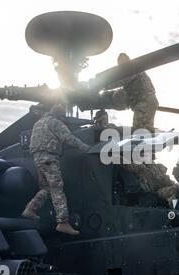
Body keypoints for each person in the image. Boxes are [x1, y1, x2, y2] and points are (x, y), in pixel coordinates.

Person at [22, 103, 91, 235]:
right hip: (49, 158)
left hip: (37, 159)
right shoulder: (55, 123)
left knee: (46, 188)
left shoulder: (38, 123)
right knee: (57, 188)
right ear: (60, 115)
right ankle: (63, 222)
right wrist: (85, 147)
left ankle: (31, 208)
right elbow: (69, 138)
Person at [105, 53, 159, 133]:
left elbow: (122, 81)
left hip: (145, 101)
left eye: (122, 62)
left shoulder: (132, 69)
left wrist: (104, 85)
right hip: (147, 101)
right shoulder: (133, 71)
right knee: (144, 128)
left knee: (139, 130)